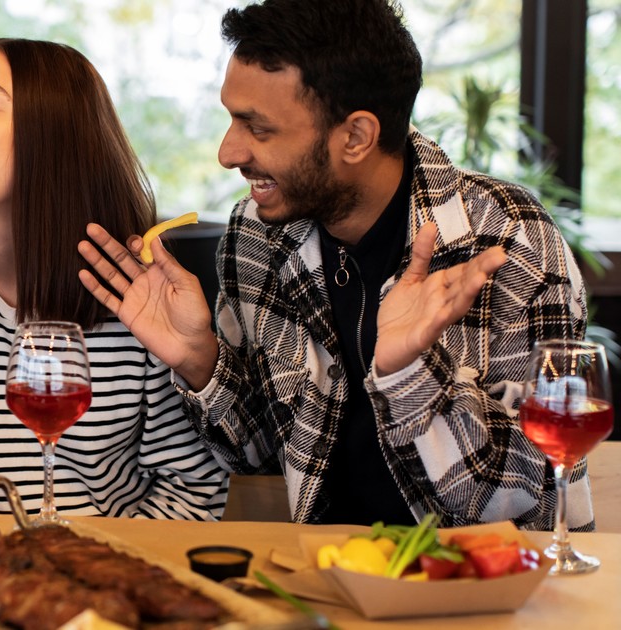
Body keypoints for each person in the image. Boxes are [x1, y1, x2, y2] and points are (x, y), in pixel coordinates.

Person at [79, 0, 592, 529]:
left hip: (488, 577)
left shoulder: (507, 237)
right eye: (231, 119)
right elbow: (254, 455)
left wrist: (409, 375)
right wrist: (198, 360)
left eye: (258, 128)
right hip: (325, 571)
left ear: (356, 137)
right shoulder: (255, 235)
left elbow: (534, 498)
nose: (227, 153)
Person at [0, 39, 229, 520]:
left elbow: (190, 487)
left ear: (54, 141)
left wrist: (94, 563)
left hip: (113, 562)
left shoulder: (139, 292)